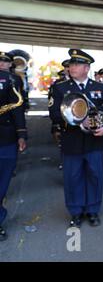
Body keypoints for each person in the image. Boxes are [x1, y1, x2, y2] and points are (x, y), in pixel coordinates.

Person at [48, 49, 103, 227]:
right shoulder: (60, 88)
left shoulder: (100, 87)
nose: (72, 67)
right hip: (72, 141)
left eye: (76, 64)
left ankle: (93, 211)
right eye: (71, 64)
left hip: (95, 141)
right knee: (73, 177)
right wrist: (79, 121)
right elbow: (54, 114)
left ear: (86, 68)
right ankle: (76, 211)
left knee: (95, 176)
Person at [0, 51, 27, 241]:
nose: (2, 63)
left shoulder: (13, 80)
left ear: (10, 64)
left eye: (5, 61)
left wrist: (21, 135)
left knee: (3, 180)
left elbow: (17, 108)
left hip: (6, 137)